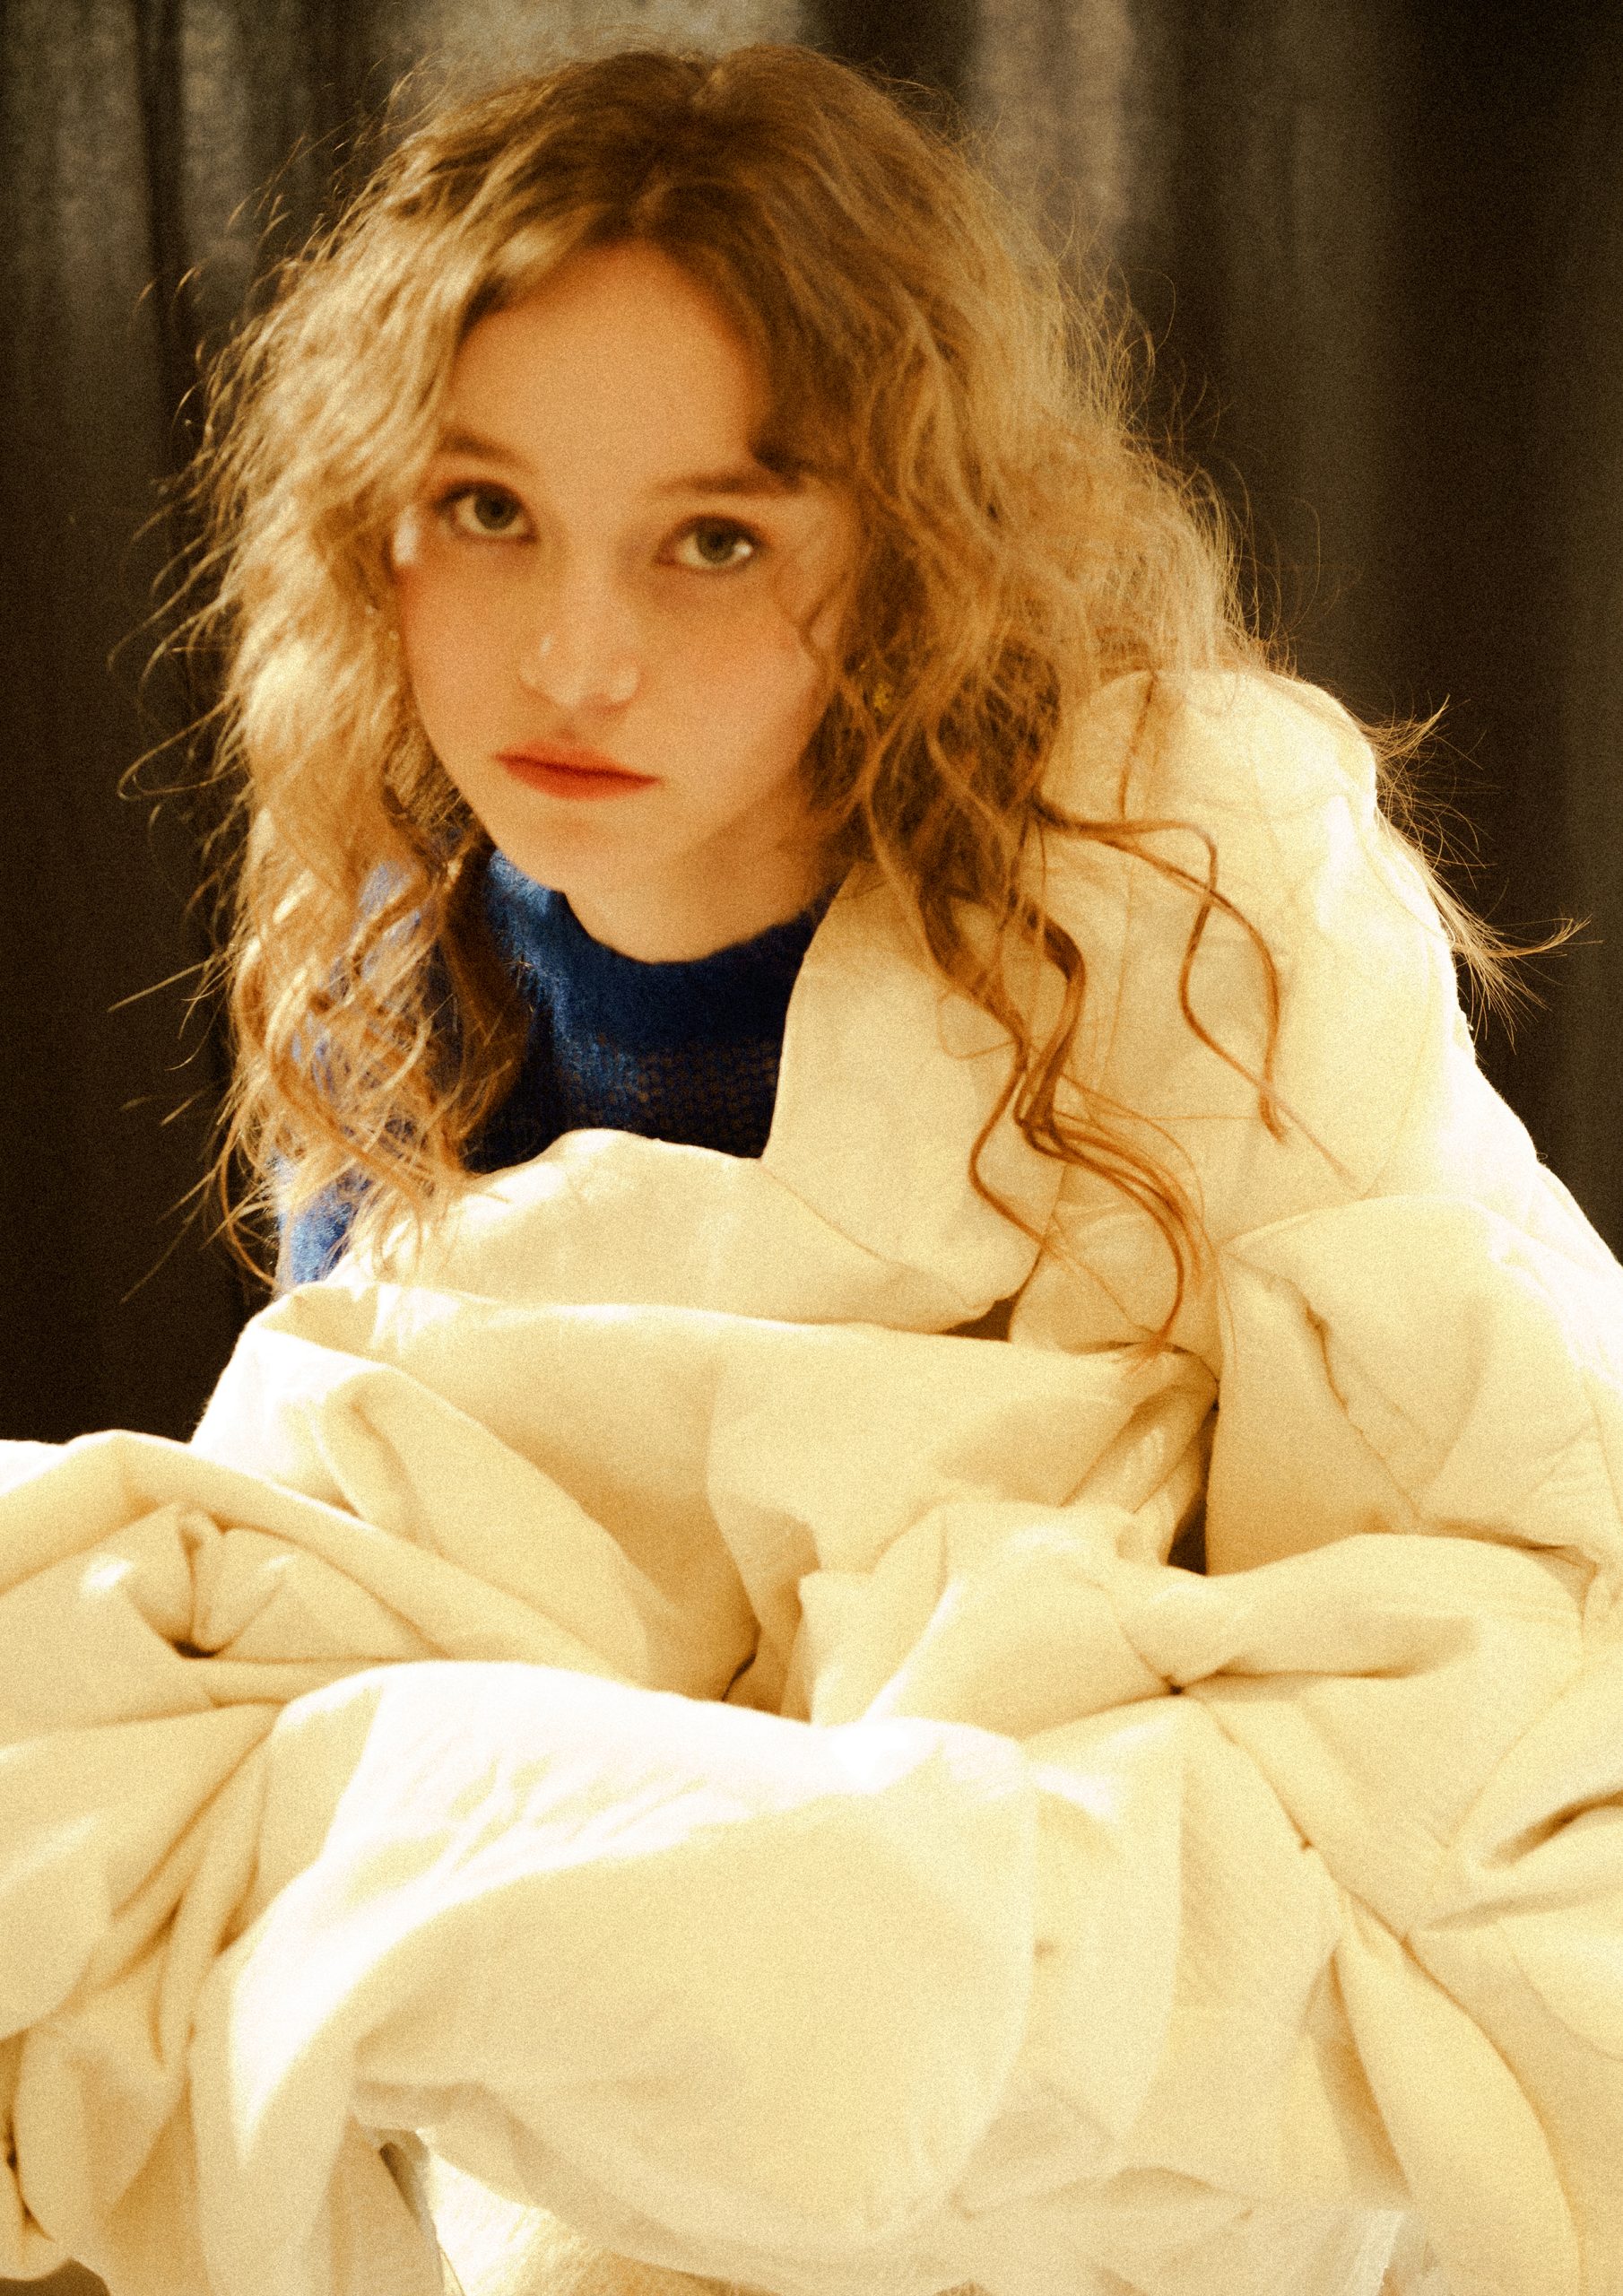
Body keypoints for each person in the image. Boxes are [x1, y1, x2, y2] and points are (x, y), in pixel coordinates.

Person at [5, 39, 1621, 2296]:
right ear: (370, 520)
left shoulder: (1184, 874)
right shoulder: (391, 960)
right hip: (612, 1992)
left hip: (1054, 1948)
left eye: (714, 539)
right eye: (486, 509)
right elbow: (365, 1577)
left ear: (904, 554)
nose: (574, 658)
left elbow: (1477, 1572)